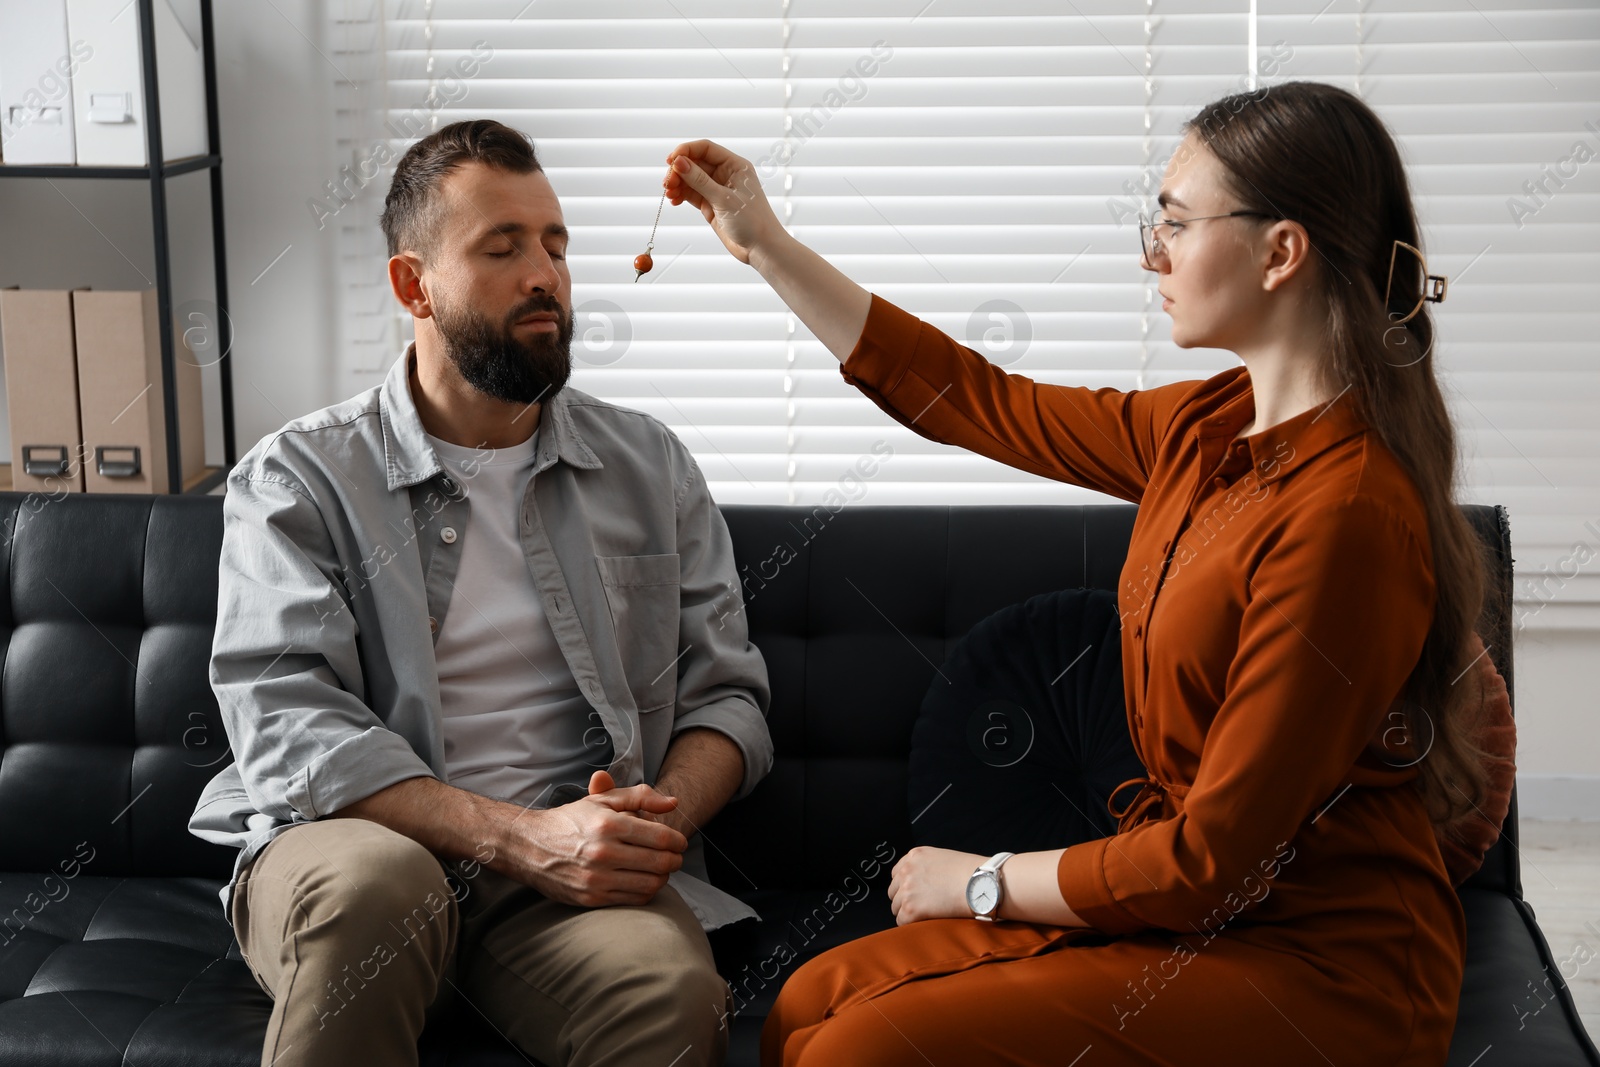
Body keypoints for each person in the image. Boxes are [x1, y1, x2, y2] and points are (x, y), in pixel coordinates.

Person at [662, 80, 1491, 1066]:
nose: (1154, 253)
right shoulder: (1205, 426)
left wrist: (984, 881)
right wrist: (766, 244)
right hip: (1193, 910)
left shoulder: (1348, 513)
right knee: (807, 1001)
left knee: (858, 1050)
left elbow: (1210, 858)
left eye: (1177, 223)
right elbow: (975, 398)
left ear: (1280, 251)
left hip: (1318, 960)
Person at [188, 118, 774, 1067]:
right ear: (413, 285)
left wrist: (645, 823)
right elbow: (286, 719)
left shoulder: (649, 465)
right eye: (501, 247)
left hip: (568, 884)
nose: (545, 273)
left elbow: (728, 698)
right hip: (354, 847)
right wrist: (518, 836)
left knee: (669, 991)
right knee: (382, 885)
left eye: (554, 244)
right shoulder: (299, 476)